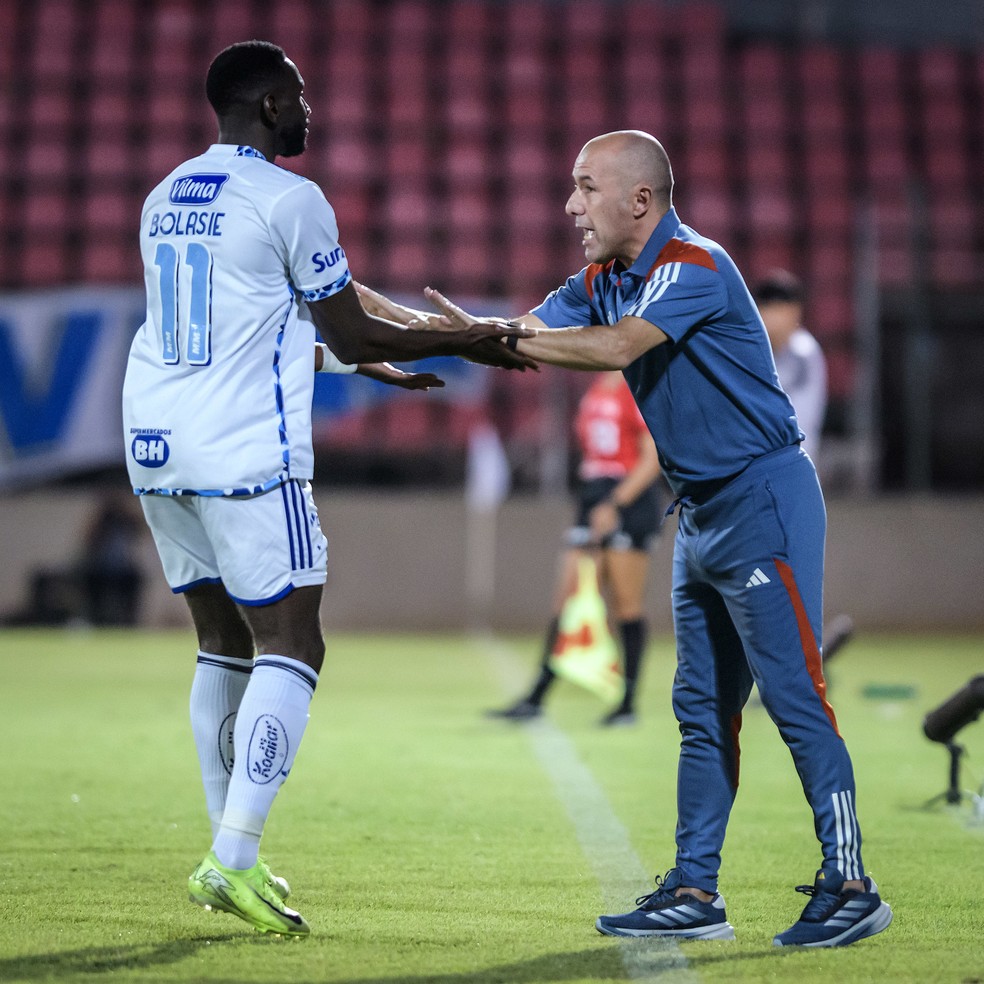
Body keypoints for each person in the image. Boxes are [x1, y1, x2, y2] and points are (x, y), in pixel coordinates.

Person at [358, 130, 892, 948]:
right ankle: (694, 889)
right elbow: (518, 336)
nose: (570, 205)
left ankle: (851, 881)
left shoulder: (693, 266)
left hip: (763, 500)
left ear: (638, 199)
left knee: (793, 696)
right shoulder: (603, 278)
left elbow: (609, 350)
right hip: (700, 512)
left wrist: (483, 336)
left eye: (584, 187)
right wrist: (390, 322)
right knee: (702, 712)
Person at [121, 40, 531, 938]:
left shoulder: (167, 196)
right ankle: (232, 860)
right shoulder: (291, 196)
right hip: (244, 456)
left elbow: (234, 322)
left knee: (221, 646)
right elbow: (346, 330)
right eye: (299, 98)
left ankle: (234, 850)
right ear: (269, 105)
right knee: (292, 643)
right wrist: (468, 339)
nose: (310, 112)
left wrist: (356, 351)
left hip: (155, 443)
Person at [486, 371, 664, 726]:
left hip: (627, 499)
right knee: (568, 597)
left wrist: (615, 503)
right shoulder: (599, 383)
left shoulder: (639, 386)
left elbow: (652, 458)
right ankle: (537, 695)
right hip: (595, 495)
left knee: (626, 604)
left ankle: (627, 703)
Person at [754, 270, 854, 662]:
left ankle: (797, 657)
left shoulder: (803, 353)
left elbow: (795, 420)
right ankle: (789, 657)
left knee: (785, 572)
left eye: (783, 310)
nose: (775, 318)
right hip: (758, 478)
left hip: (791, 476)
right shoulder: (754, 347)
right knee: (766, 574)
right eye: (769, 309)